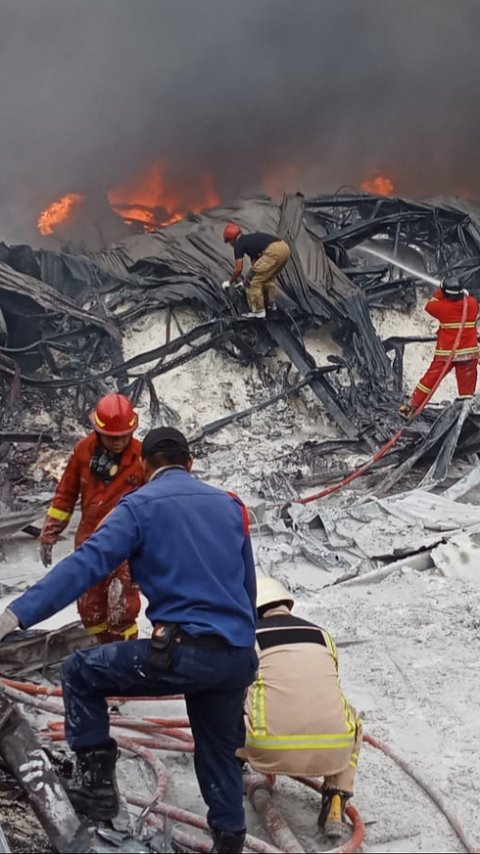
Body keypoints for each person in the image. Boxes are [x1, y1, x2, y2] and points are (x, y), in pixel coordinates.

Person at [0, 427, 257, 854]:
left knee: (80, 672)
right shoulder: (231, 506)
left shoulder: (138, 506)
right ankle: (229, 842)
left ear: (144, 465)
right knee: (218, 752)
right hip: (234, 657)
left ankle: (96, 788)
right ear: (190, 464)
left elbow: (86, 565)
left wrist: (16, 614)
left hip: (182, 653)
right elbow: (246, 587)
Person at [240, 577, 362, 842]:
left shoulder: (249, 638)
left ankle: (233, 775)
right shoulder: (323, 636)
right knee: (352, 719)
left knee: (226, 707)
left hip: (265, 748)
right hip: (333, 750)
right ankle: (335, 801)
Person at [38, 393, 144, 644]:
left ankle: (125, 660)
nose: (118, 443)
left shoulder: (141, 457)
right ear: (98, 431)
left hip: (125, 547)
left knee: (122, 609)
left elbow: (156, 505)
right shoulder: (83, 452)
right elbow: (66, 493)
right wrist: (50, 532)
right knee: (90, 609)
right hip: (89, 541)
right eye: (112, 437)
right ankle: (103, 652)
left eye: (123, 437)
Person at [400, 276, 478, 418]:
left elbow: (429, 305)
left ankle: (410, 409)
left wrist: (440, 290)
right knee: (467, 393)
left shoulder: (441, 308)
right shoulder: (472, 304)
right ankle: (466, 418)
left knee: (428, 382)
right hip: (468, 355)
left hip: (446, 355)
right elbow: (467, 300)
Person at [222, 224, 291, 319]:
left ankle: (258, 311)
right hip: (284, 248)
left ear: (232, 239)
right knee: (267, 277)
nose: (230, 244)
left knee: (253, 280)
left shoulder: (239, 244)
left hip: (272, 252)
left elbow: (238, 269)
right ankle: (271, 304)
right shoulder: (250, 241)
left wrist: (229, 282)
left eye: (229, 242)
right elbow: (257, 267)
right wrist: (244, 283)